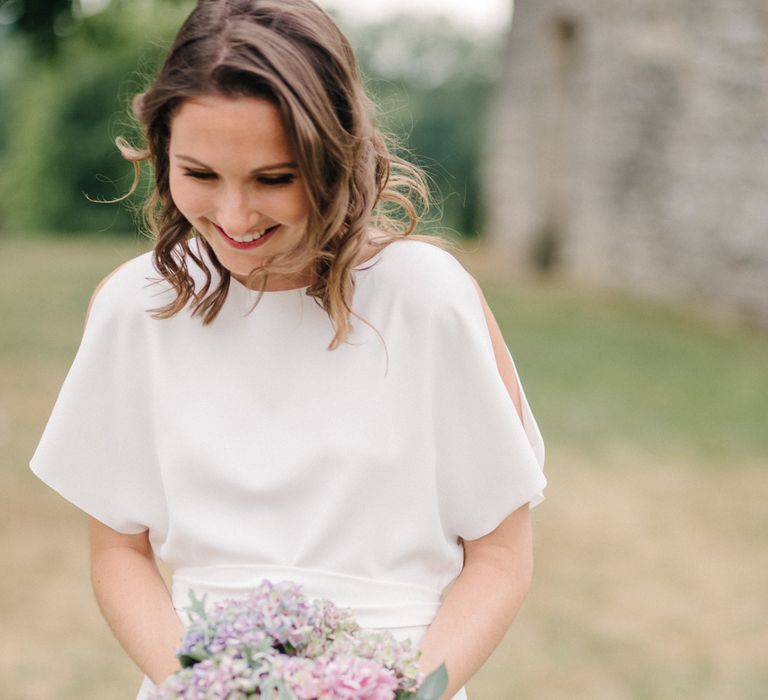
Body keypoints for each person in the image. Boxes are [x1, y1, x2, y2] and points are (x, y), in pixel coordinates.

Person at [29, 1, 546, 698]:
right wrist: (207, 686)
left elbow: (500, 555)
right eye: (201, 174)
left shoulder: (427, 299)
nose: (235, 217)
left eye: (274, 179)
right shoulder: (134, 308)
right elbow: (119, 550)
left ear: (335, 156)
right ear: (160, 151)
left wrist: (395, 690)